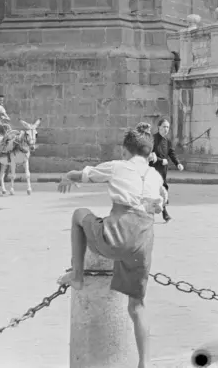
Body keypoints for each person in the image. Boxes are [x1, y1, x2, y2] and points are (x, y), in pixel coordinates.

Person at [56, 123, 166, 368]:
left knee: (78, 214)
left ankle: (77, 274)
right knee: (137, 306)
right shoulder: (155, 175)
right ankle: (144, 363)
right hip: (143, 241)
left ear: (124, 151)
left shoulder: (118, 166)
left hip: (117, 234)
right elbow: (160, 201)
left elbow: (83, 174)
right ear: (149, 153)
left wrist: (67, 177)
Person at [148, 118, 184, 223]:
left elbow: (171, 153)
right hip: (153, 170)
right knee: (155, 192)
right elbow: (149, 155)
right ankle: (164, 213)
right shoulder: (153, 139)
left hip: (163, 171)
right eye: (164, 126)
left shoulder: (167, 141)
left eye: (168, 127)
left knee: (163, 190)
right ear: (159, 127)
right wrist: (160, 160)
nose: (166, 129)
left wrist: (178, 163)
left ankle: (163, 212)